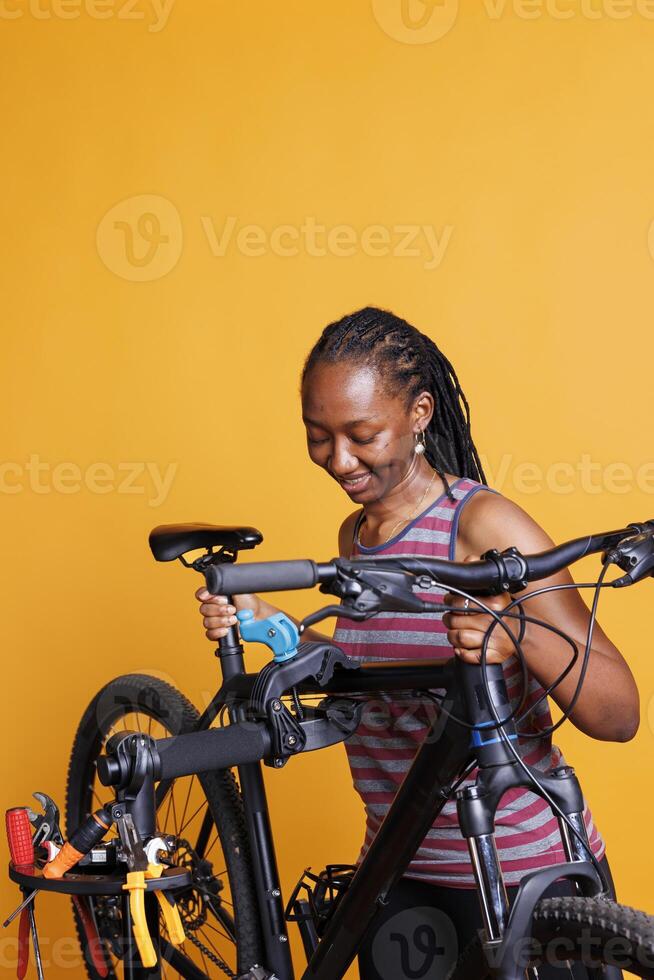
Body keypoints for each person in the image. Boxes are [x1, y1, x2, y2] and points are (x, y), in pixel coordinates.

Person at [195, 306, 639, 979]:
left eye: (362, 435)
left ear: (420, 413)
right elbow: (375, 680)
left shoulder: (485, 526)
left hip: (524, 877)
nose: (338, 459)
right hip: (398, 875)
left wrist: (514, 631)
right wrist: (264, 621)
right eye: (318, 437)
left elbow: (619, 712)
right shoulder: (357, 540)